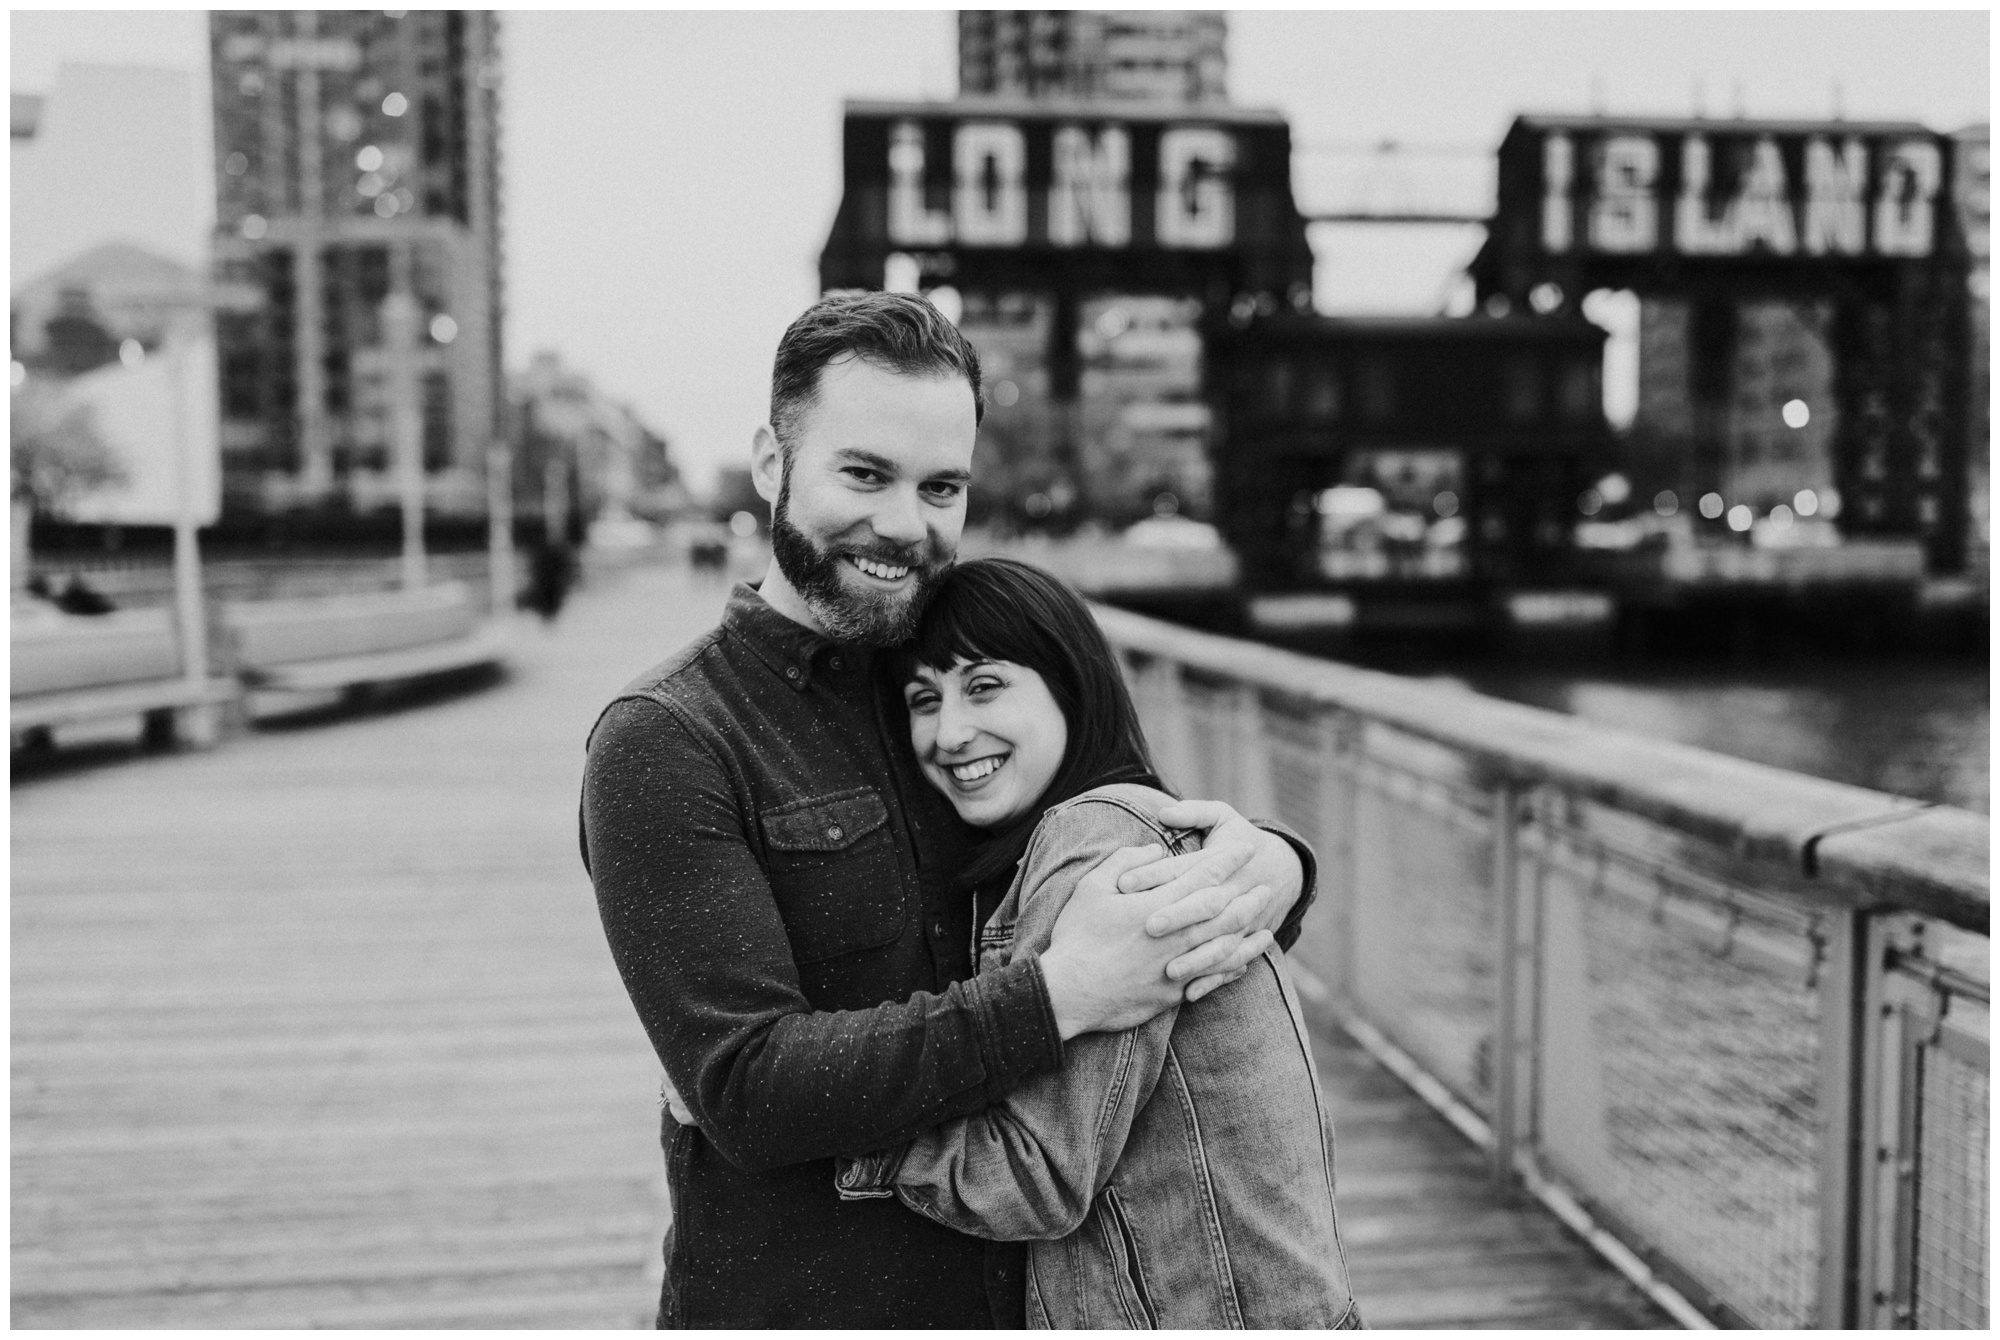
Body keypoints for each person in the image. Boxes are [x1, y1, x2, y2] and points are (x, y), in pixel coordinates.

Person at [580, 292, 1318, 1329]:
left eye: (941, 486)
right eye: (864, 474)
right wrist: (1060, 993)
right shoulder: (667, 738)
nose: (903, 523)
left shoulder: (941, 692)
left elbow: (1093, 827)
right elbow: (747, 1083)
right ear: (768, 462)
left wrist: (1274, 865)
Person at [835, 557, 1362, 1328]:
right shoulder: (1087, 836)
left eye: (984, 686)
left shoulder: (1093, 842)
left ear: (1070, 685)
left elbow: (1034, 1178)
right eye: (923, 699)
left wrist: (808, 1117)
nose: (949, 733)